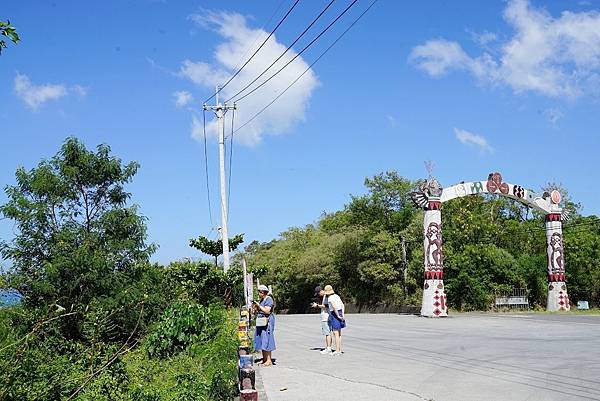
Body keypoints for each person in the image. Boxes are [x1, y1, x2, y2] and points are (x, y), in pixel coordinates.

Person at [253, 284, 276, 366]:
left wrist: (259, 306)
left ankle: (269, 360)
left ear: (263, 292)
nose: (258, 294)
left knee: (267, 338)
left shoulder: (269, 299)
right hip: (260, 321)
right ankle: (264, 359)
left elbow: (267, 311)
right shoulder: (262, 300)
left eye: (259, 292)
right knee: (262, 338)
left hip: (267, 321)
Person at [323, 285, 345, 356]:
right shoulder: (337, 296)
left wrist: (337, 315)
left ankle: (337, 351)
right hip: (340, 312)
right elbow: (342, 305)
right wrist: (342, 314)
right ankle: (339, 350)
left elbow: (334, 307)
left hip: (334, 314)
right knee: (339, 333)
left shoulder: (330, 298)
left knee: (335, 333)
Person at [312, 285, 333, 355]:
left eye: (318, 293)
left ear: (321, 291)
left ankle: (328, 348)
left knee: (327, 333)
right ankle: (328, 347)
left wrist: (317, 306)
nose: (318, 295)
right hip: (328, 316)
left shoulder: (326, 296)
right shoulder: (327, 296)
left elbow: (326, 306)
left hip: (326, 317)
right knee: (328, 333)